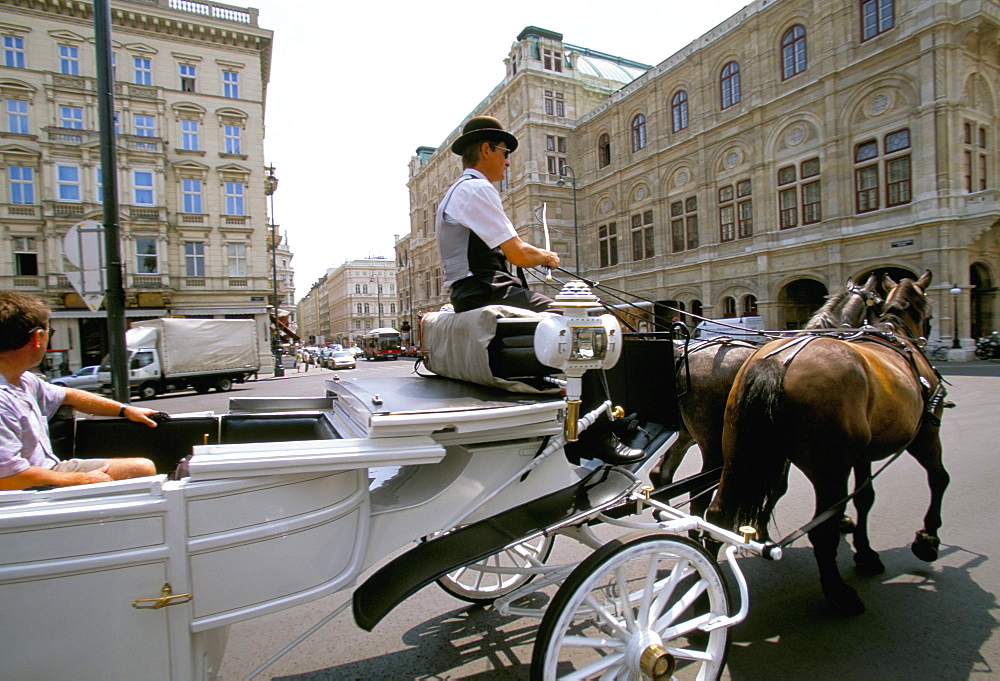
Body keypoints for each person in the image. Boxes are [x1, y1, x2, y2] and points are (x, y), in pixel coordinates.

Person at [0, 292, 159, 491]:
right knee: (141, 471)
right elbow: (8, 478)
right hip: (28, 488)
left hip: (43, 472)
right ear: (37, 337)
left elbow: (67, 395)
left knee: (142, 467)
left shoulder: (23, 380)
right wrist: (83, 479)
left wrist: (125, 410)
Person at [437, 115, 560, 313]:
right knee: (565, 317)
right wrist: (547, 257)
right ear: (486, 150)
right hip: (485, 291)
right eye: (505, 153)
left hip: (469, 293)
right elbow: (519, 254)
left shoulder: (459, 189)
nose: (508, 162)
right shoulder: (477, 188)